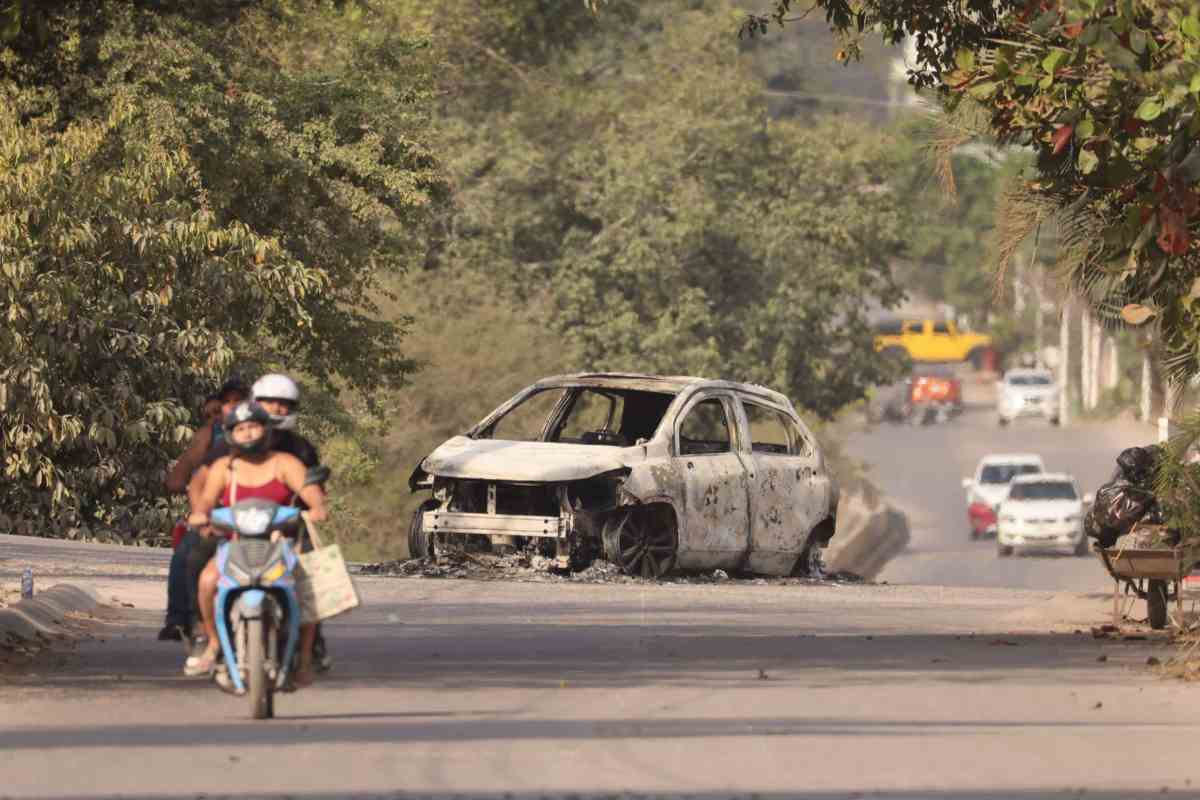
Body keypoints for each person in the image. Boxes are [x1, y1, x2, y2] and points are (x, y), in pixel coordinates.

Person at [184, 401, 328, 685]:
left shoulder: (285, 463)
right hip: (234, 545)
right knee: (208, 580)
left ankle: (307, 659)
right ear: (231, 435)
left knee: (308, 589)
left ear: (266, 430)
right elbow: (204, 506)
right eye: (241, 429)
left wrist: (312, 511)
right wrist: (200, 517)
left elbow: (316, 503)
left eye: (254, 427)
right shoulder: (224, 468)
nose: (248, 433)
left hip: (282, 546)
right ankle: (214, 643)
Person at [158, 380, 247, 642]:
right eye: (227, 404)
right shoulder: (211, 439)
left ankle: (310, 633)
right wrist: (199, 510)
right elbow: (186, 477)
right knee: (186, 553)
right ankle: (180, 618)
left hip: (260, 512)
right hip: (218, 514)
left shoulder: (270, 435)